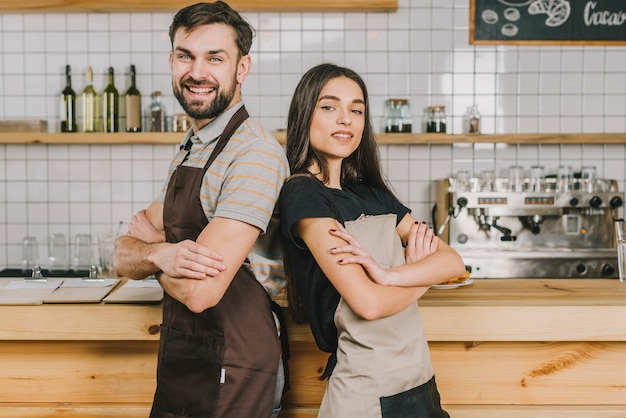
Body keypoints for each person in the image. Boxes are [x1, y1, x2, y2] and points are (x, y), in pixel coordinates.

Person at [112, 2, 290, 417]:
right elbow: (121, 250)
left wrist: (154, 253)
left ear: (241, 68)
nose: (197, 72)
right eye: (185, 56)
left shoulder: (254, 154)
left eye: (215, 58)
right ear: (170, 61)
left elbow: (199, 291)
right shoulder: (193, 146)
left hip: (237, 364)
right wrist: (159, 252)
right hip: (185, 357)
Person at [279, 63, 466, 417]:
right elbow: (368, 304)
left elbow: (453, 262)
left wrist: (390, 276)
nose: (346, 119)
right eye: (330, 106)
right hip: (365, 390)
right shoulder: (303, 194)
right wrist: (420, 272)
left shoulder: (371, 194)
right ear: (305, 115)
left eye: (357, 110)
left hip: (418, 380)